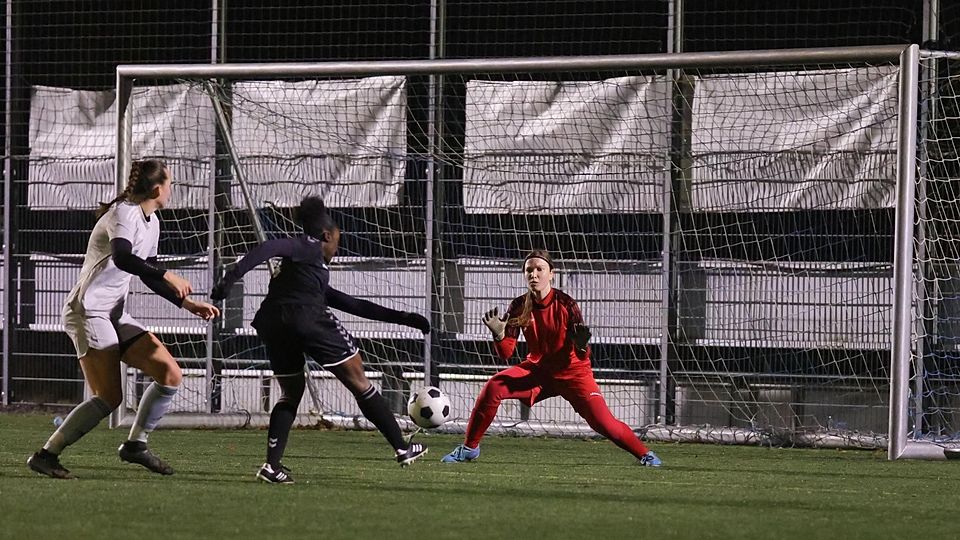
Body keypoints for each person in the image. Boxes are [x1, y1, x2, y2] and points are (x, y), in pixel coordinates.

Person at [210, 196, 432, 484]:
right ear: (327, 235)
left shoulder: (307, 272)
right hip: (307, 318)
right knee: (358, 379)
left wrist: (404, 318)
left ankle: (271, 467)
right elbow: (269, 247)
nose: (337, 249)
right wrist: (230, 279)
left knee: (291, 392)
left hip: (272, 324)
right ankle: (402, 448)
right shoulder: (308, 246)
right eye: (337, 241)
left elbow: (352, 304)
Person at [27, 159, 221, 479]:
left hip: (114, 313)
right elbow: (123, 257)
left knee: (170, 374)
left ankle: (135, 446)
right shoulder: (124, 213)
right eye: (170, 184)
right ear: (156, 189)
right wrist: (168, 273)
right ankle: (46, 455)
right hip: (88, 311)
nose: (172, 190)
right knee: (109, 397)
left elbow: (147, 272)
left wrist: (185, 303)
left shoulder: (152, 220)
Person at [441, 250, 662, 467]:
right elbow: (506, 353)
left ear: (551, 273)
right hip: (538, 371)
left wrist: (582, 346)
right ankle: (469, 448)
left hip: (573, 373)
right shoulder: (518, 306)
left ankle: (645, 455)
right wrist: (499, 335)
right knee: (494, 386)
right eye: (529, 270)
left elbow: (582, 353)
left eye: (540, 269)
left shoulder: (567, 304)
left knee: (604, 424)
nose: (534, 274)